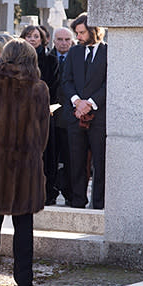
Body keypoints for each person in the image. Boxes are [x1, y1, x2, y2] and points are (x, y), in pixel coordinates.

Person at [0, 39, 50, 286]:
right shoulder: (39, 89)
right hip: (25, 167)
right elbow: (43, 135)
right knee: (24, 225)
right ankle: (24, 279)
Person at [61, 13, 107, 210]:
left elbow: (110, 82)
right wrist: (77, 102)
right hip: (76, 116)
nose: (77, 37)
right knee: (76, 162)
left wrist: (90, 103)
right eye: (76, 33)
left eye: (81, 33)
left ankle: (99, 204)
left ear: (94, 31)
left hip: (99, 117)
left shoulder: (109, 52)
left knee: (100, 162)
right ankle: (78, 202)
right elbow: (66, 80)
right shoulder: (74, 53)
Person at [20, 25, 59, 205]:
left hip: (44, 112)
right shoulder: (17, 61)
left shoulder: (51, 61)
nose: (32, 39)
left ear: (43, 39)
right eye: (29, 36)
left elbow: (55, 86)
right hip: (21, 115)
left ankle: (46, 192)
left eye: (36, 36)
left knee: (46, 154)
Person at [50, 27, 76, 205]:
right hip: (50, 117)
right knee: (50, 159)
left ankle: (70, 193)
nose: (63, 43)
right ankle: (49, 193)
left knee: (70, 159)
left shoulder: (76, 58)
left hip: (71, 116)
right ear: (53, 41)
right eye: (59, 39)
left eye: (67, 39)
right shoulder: (46, 58)